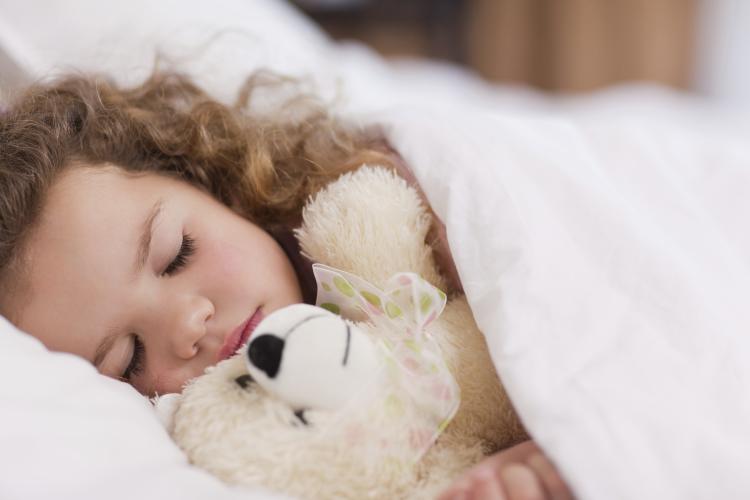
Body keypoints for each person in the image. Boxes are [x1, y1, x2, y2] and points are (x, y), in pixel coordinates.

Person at [0, 71, 573, 500]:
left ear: (208, 182)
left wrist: (561, 440)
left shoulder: (389, 209)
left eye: (178, 255)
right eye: (130, 358)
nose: (188, 324)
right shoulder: (249, 454)